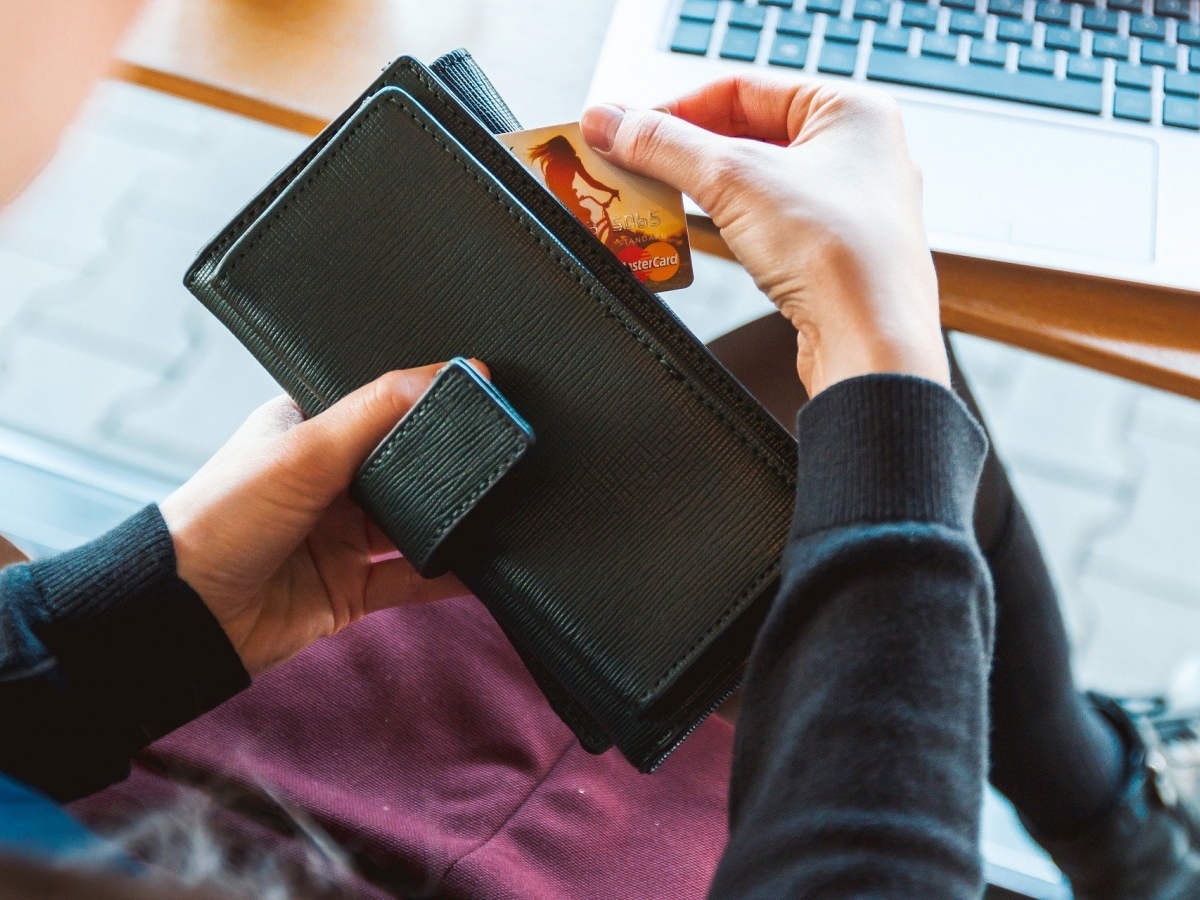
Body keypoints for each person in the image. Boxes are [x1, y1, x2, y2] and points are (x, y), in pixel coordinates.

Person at [2, 7, 1200, 900]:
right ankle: (1125, 829)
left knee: (831, 408)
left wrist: (140, 612)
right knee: (890, 418)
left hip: (163, 729)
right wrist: (876, 352)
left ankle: (1118, 816)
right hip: (335, 822)